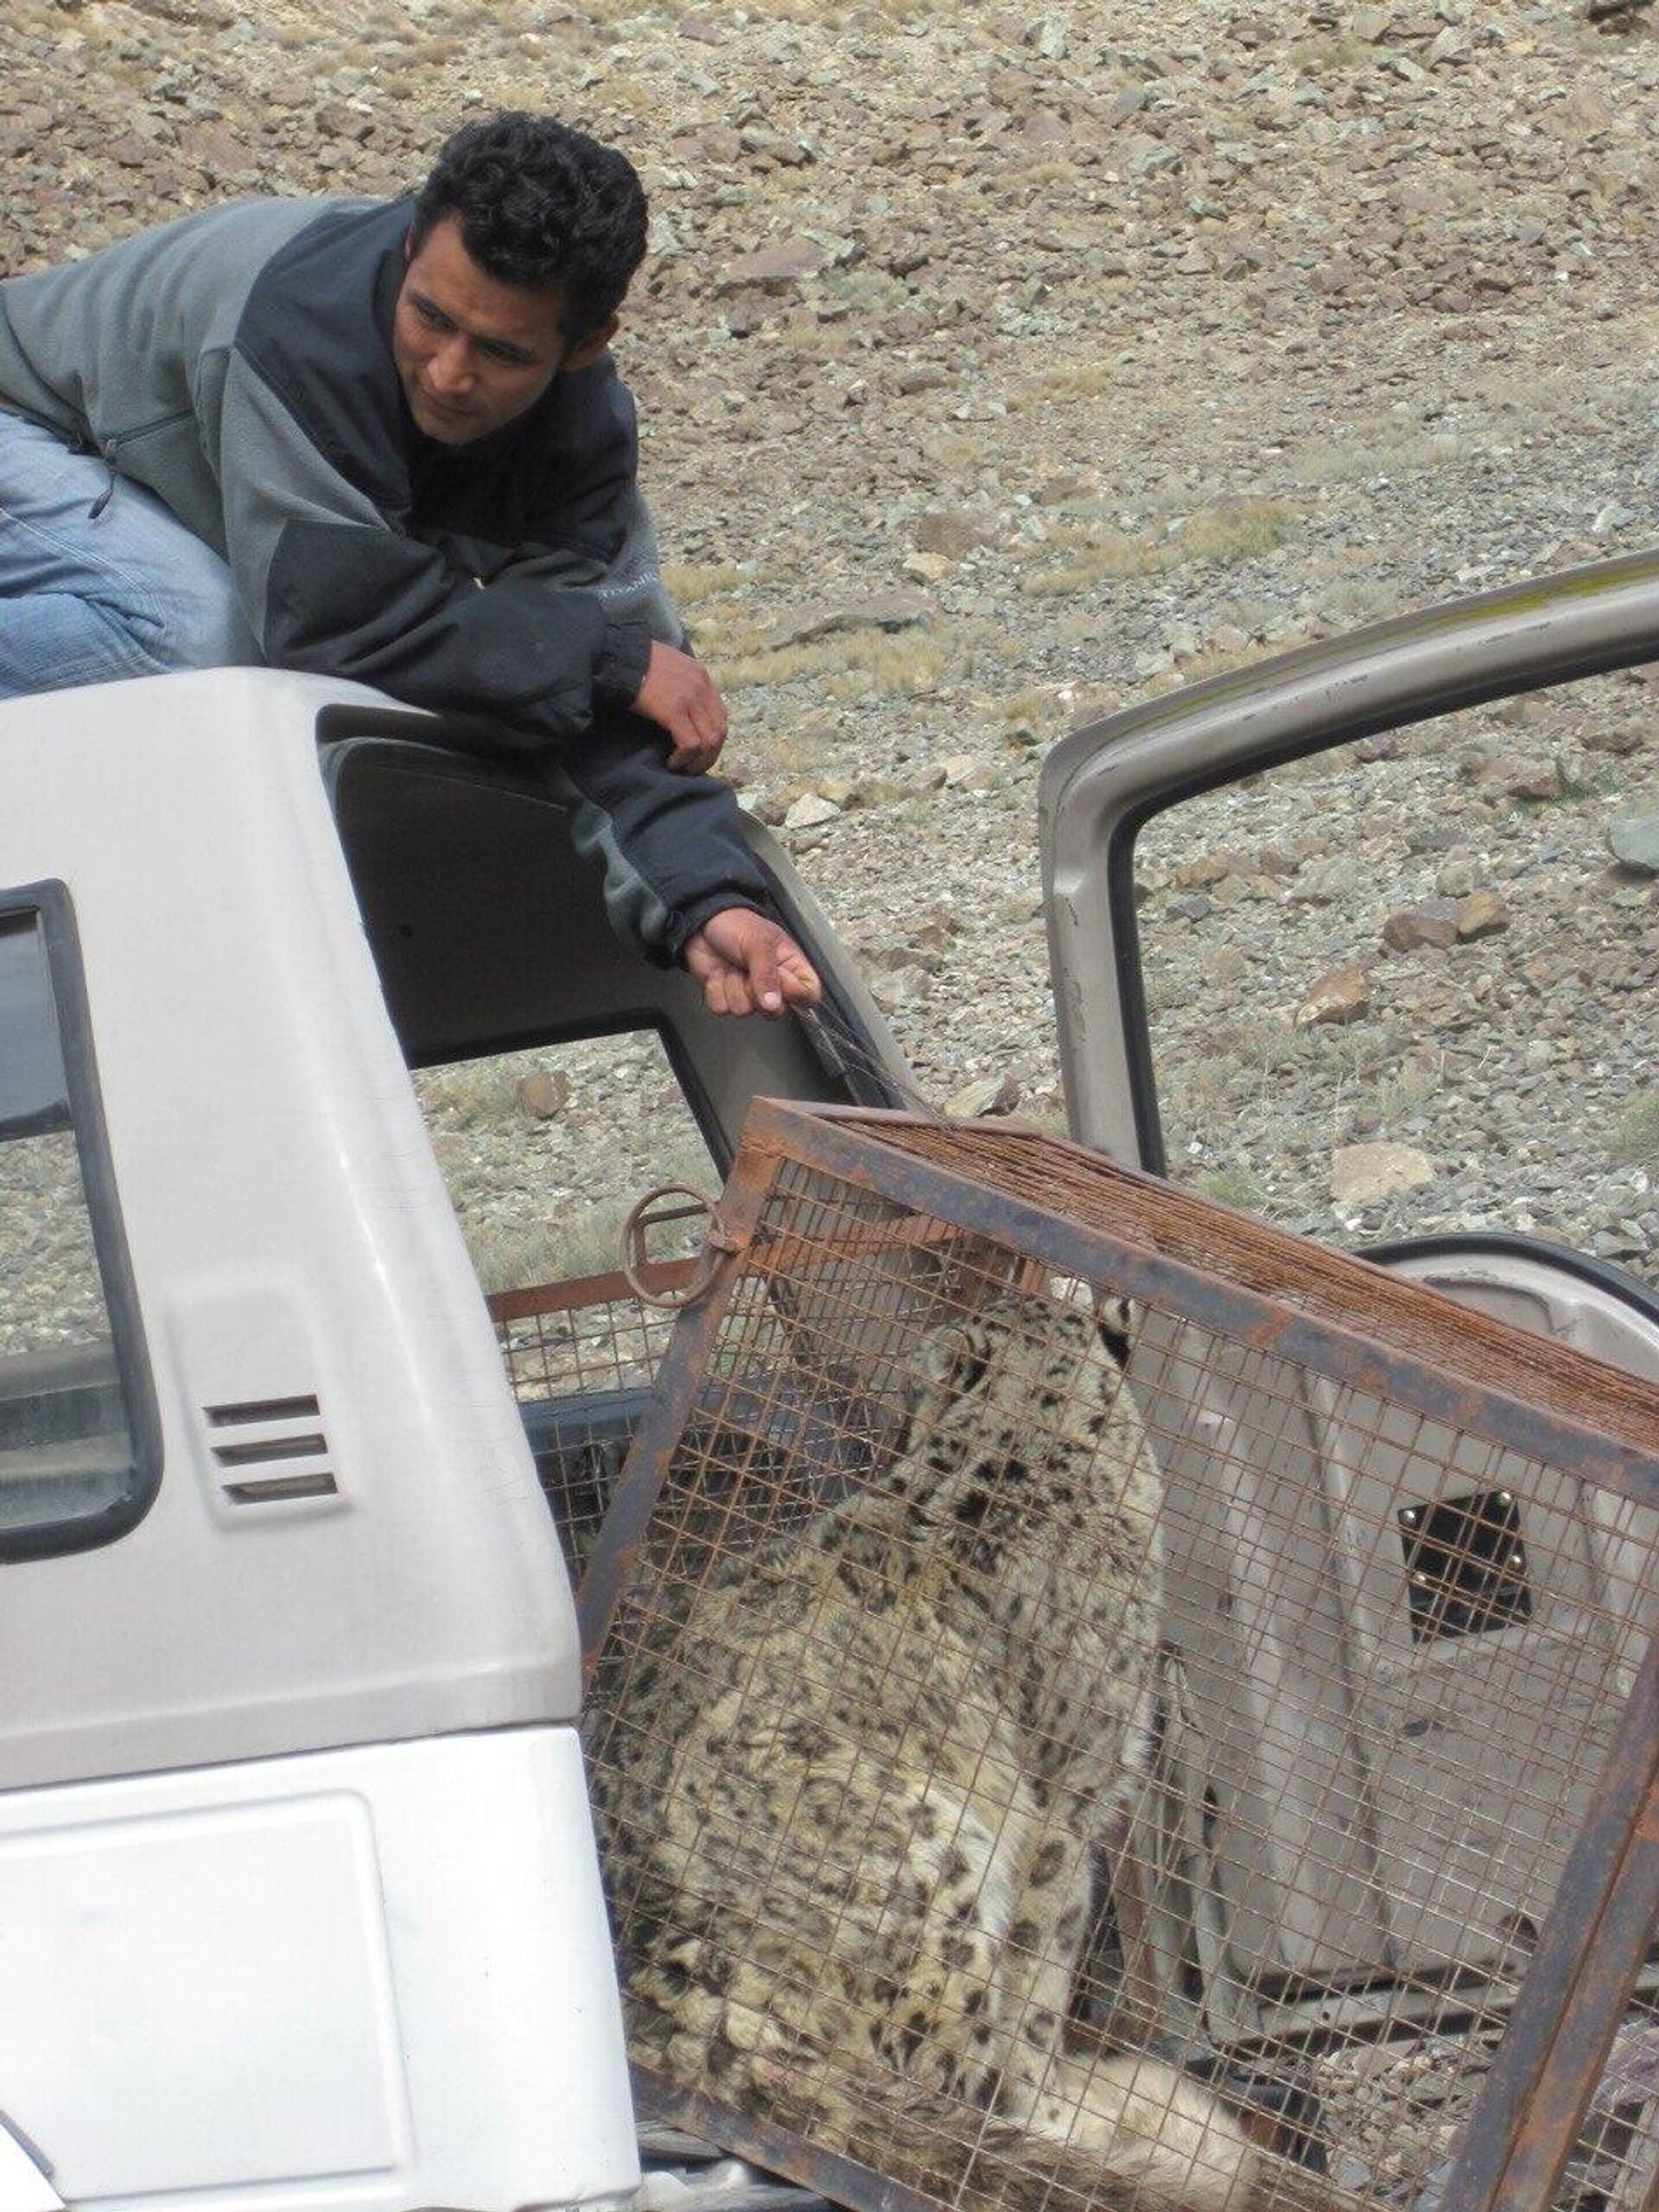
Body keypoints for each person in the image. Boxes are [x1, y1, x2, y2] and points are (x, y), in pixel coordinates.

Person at [0, 111, 818, 1020]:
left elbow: (619, 699)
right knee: (205, 634)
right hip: (22, 423)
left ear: (584, 345)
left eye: (503, 352)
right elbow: (331, 619)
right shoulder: (302, 331)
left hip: (136, 499)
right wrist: (606, 655)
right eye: (429, 316)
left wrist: (707, 897)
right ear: (408, 245)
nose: (446, 374)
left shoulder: (577, 437)